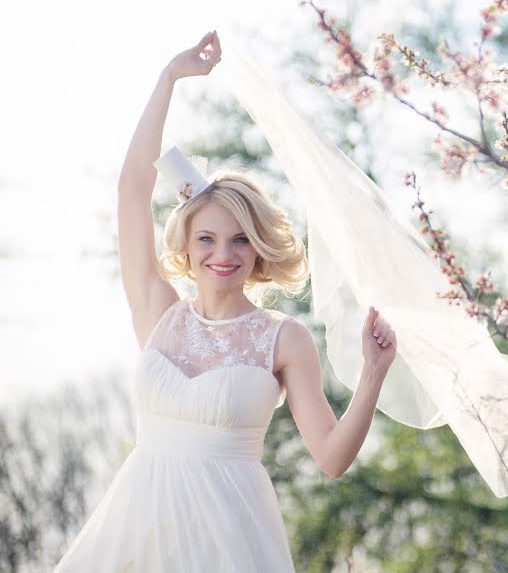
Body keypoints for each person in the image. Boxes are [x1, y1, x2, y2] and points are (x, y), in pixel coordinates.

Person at [53, 30, 397, 571]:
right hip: (138, 535)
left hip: (232, 546)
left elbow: (331, 459)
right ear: (186, 248)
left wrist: (373, 374)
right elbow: (131, 191)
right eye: (207, 239)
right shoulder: (158, 314)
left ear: (258, 249)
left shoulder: (284, 338)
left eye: (240, 239)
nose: (224, 254)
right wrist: (169, 78)